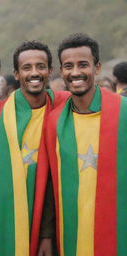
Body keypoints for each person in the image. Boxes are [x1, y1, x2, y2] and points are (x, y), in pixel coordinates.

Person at [0, 40, 69, 256]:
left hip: (58, 223)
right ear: (17, 73)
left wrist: (46, 234)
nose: (34, 73)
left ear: (50, 70)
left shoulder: (63, 108)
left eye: (40, 66)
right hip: (12, 224)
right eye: (26, 67)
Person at [46, 33, 127, 256]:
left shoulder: (124, 112)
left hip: (118, 235)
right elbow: (50, 184)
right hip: (72, 238)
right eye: (68, 66)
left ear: (97, 67)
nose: (75, 72)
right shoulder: (54, 121)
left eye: (83, 64)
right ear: (61, 71)